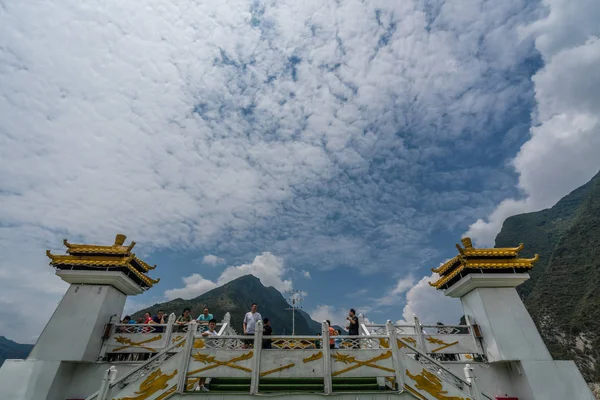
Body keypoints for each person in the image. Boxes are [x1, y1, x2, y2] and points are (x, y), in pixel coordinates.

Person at [195, 319, 218, 392]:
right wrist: (209, 334)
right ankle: (198, 385)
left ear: (215, 325)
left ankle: (202, 385)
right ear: (208, 325)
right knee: (203, 369)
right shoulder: (207, 332)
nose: (212, 325)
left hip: (211, 353)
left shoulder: (215, 333)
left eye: (213, 324)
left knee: (207, 370)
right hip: (205, 353)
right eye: (211, 324)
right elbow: (203, 334)